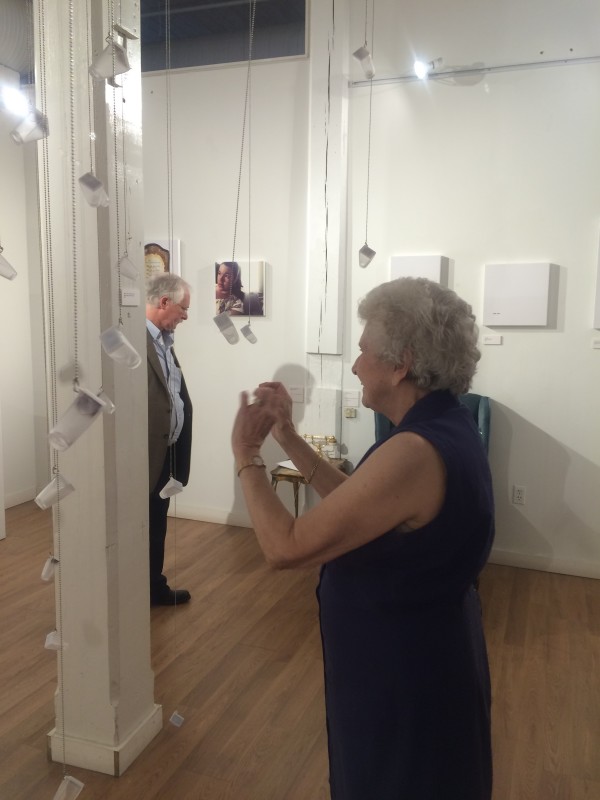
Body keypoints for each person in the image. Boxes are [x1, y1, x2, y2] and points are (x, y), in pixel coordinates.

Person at [231, 277, 494, 800]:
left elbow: (284, 547)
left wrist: (247, 455)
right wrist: (287, 435)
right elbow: (361, 504)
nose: (354, 366)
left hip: (404, 677)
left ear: (401, 364)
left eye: (363, 352)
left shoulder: (414, 452)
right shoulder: (444, 427)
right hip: (422, 657)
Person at [146, 273, 193, 606]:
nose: (185, 316)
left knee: (156, 523)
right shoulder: (134, 340)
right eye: (183, 308)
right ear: (164, 302)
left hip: (165, 453)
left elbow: (172, 394)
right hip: (142, 454)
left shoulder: (164, 341)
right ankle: (138, 588)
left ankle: (153, 586)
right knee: (139, 525)